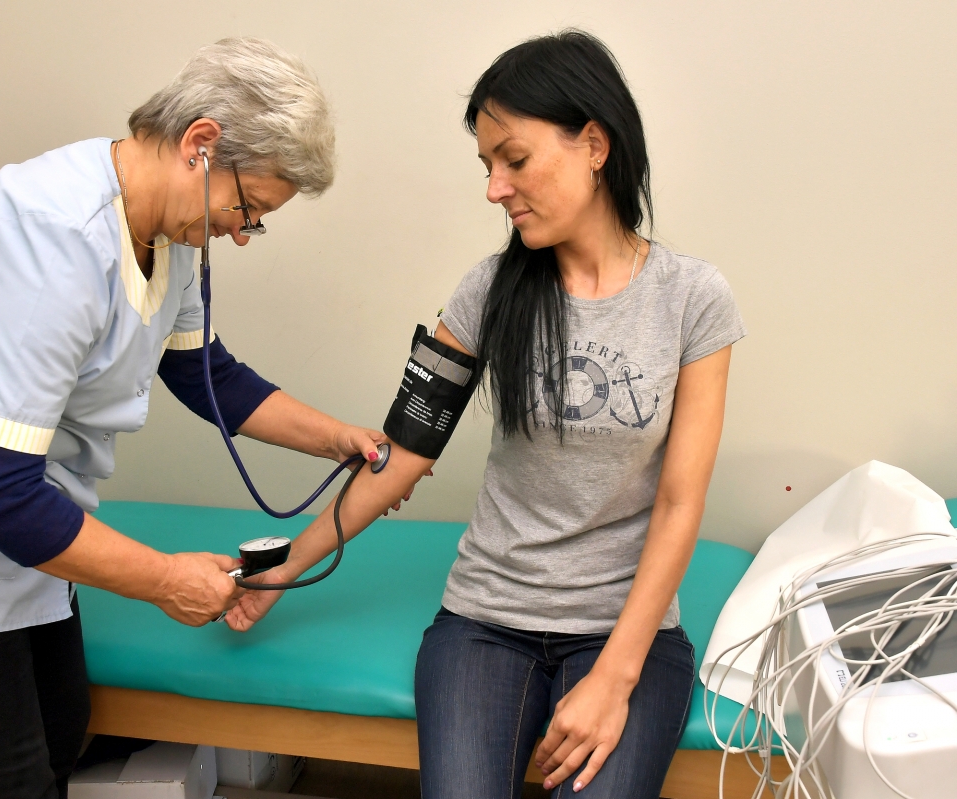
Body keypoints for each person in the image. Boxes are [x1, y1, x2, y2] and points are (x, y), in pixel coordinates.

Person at [0, 38, 402, 799]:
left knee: (63, 728)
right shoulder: (43, 238)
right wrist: (166, 580)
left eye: (256, 221)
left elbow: (206, 375)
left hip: (21, 503)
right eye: (248, 208)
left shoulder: (165, 232)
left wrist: (338, 438)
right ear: (200, 145)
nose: (241, 232)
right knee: (9, 781)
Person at [227, 31, 746, 799]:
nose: (495, 189)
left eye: (515, 159)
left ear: (594, 144)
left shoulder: (693, 300)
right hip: (486, 620)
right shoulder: (486, 292)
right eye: (486, 166)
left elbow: (679, 502)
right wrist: (284, 570)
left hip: (624, 630)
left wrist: (614, 679)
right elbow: (403, 452)